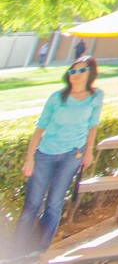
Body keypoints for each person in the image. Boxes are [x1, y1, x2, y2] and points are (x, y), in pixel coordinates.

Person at [15, 57, 102, 252]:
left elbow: (93, 126)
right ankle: (16, 251)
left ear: (90, 73)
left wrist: (88, 152)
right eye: (72, 72)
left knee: (54, 204)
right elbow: (39, 128)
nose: (76, 76)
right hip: (45, 154)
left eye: (81, 71)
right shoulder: (56, 97)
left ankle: (38, 250)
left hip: (72, 156)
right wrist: (30, 158)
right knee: (32, 205)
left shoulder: (96, 97)